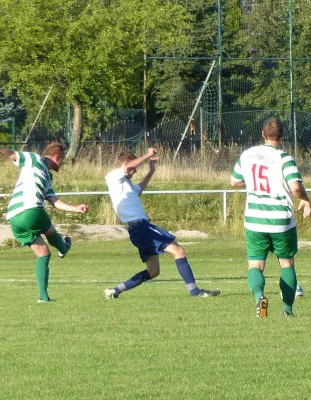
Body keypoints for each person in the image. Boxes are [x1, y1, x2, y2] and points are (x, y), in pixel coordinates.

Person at [104, 148, 221, 299]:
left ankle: (115, 290)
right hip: (140, 228)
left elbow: (140, 188)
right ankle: (195, 292)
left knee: (153, 271)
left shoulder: (126, 184)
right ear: (126, 164)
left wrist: (151, 170)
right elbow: (127, 167)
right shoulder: (113, 177)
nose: (135, 172)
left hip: (139, 229)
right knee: (179, 251)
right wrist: (147, 155)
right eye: (134, 169)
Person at [231, 117, 310, 317]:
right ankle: (287, 310)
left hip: (255, 219)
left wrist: (253, 184)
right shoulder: (285, 158)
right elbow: (295, 188)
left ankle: (260, 297)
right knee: (286, 263)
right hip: (281, 219)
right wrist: (307, 199)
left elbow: (234, 181)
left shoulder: (247, 155)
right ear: (282, 136)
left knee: (255, 265)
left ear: (262, 134)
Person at [0, 143, 88, 303]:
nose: (62, 163)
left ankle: (43, 297)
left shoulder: (47, 177)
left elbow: (54, 201)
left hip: (14, 218)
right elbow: (11, 154)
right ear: (57, 157)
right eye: (62, 159)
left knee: (44, 254)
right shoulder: (34, 159)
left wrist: (76, 208)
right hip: (31, 210)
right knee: (51, 231)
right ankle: (63, 248)